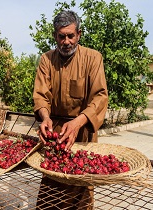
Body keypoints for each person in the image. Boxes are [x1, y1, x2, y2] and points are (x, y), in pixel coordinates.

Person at [33, 10, 108, 209]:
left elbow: (100, 97)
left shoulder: (93, 58)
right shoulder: (46, 60)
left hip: (82, 134)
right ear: (55, 36)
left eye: (70, 36)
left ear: (79, 34)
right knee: (51, 191)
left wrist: (78, 123)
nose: (66, 41)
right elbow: (40, 95)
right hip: (55, 135)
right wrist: (45, 118)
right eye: (61, 36)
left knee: (80, 192)